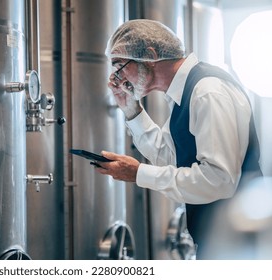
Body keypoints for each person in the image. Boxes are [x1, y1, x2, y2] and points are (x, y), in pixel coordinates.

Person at [96, 19, 263, 259]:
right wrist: (131, 109)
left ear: (150, 55)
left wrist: (139, 173)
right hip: (219, 240)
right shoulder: (185, 92)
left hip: (239, 245)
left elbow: (219, 180)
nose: (117, 78)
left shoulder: (207, 92)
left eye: (120, 65)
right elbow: (169, 157)